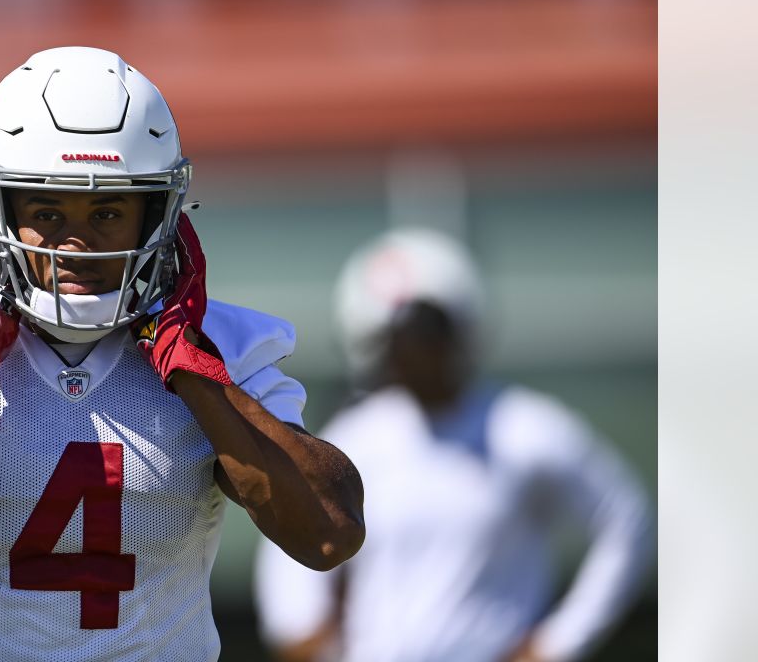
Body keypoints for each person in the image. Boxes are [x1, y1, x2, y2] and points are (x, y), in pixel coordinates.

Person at [0, 46, 366, 661]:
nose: (77, 243)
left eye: (109, 211)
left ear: (158, 215)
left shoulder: (225, 349)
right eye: (47, 210)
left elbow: (329, 533)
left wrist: (196, 372)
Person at [254, 228, 652, 662]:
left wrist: (556, 644)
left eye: (430, 331)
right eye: (399, 337)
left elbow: (626, 518)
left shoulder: (524, 428)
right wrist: (301, 629)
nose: (417, 350)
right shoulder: (356, 439)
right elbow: (291, 533)